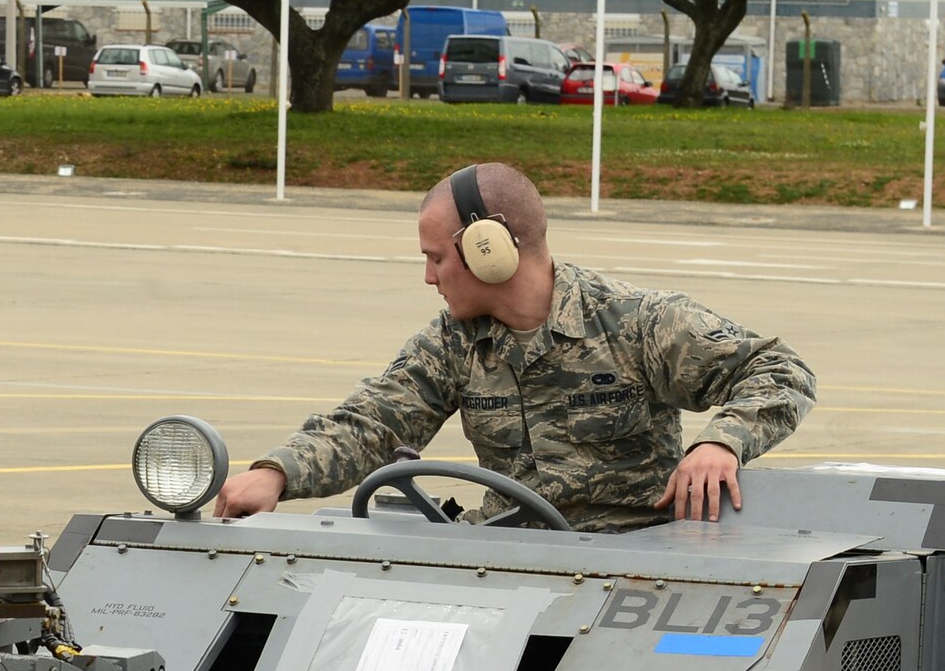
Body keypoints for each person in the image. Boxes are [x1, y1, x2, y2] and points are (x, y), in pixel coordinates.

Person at [214, 162, 815, 531]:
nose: (429, 278)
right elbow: (371, 423)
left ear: (488, 250)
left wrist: (720, 442)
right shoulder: (451, 344)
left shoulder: (635, 322)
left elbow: (780, 369)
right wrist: (277, 472)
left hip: (635, 567)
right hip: (507, 558)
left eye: (436, 259)